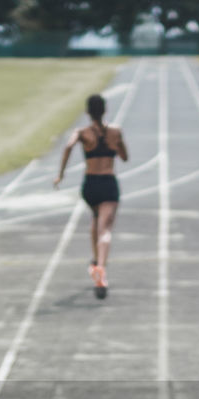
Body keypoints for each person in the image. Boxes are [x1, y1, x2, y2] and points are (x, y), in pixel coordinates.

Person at [54, 94, 128, 300]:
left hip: (90, 186)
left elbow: (68, 146)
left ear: (87, 112)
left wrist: (61, 174)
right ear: (105, 110)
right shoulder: (115, 132)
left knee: (96, 219)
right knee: (106, 229)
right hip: (108, 184)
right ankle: (101, 269)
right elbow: (124, 157)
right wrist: (116, 145)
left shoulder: (82, 132)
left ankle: (95, 259)